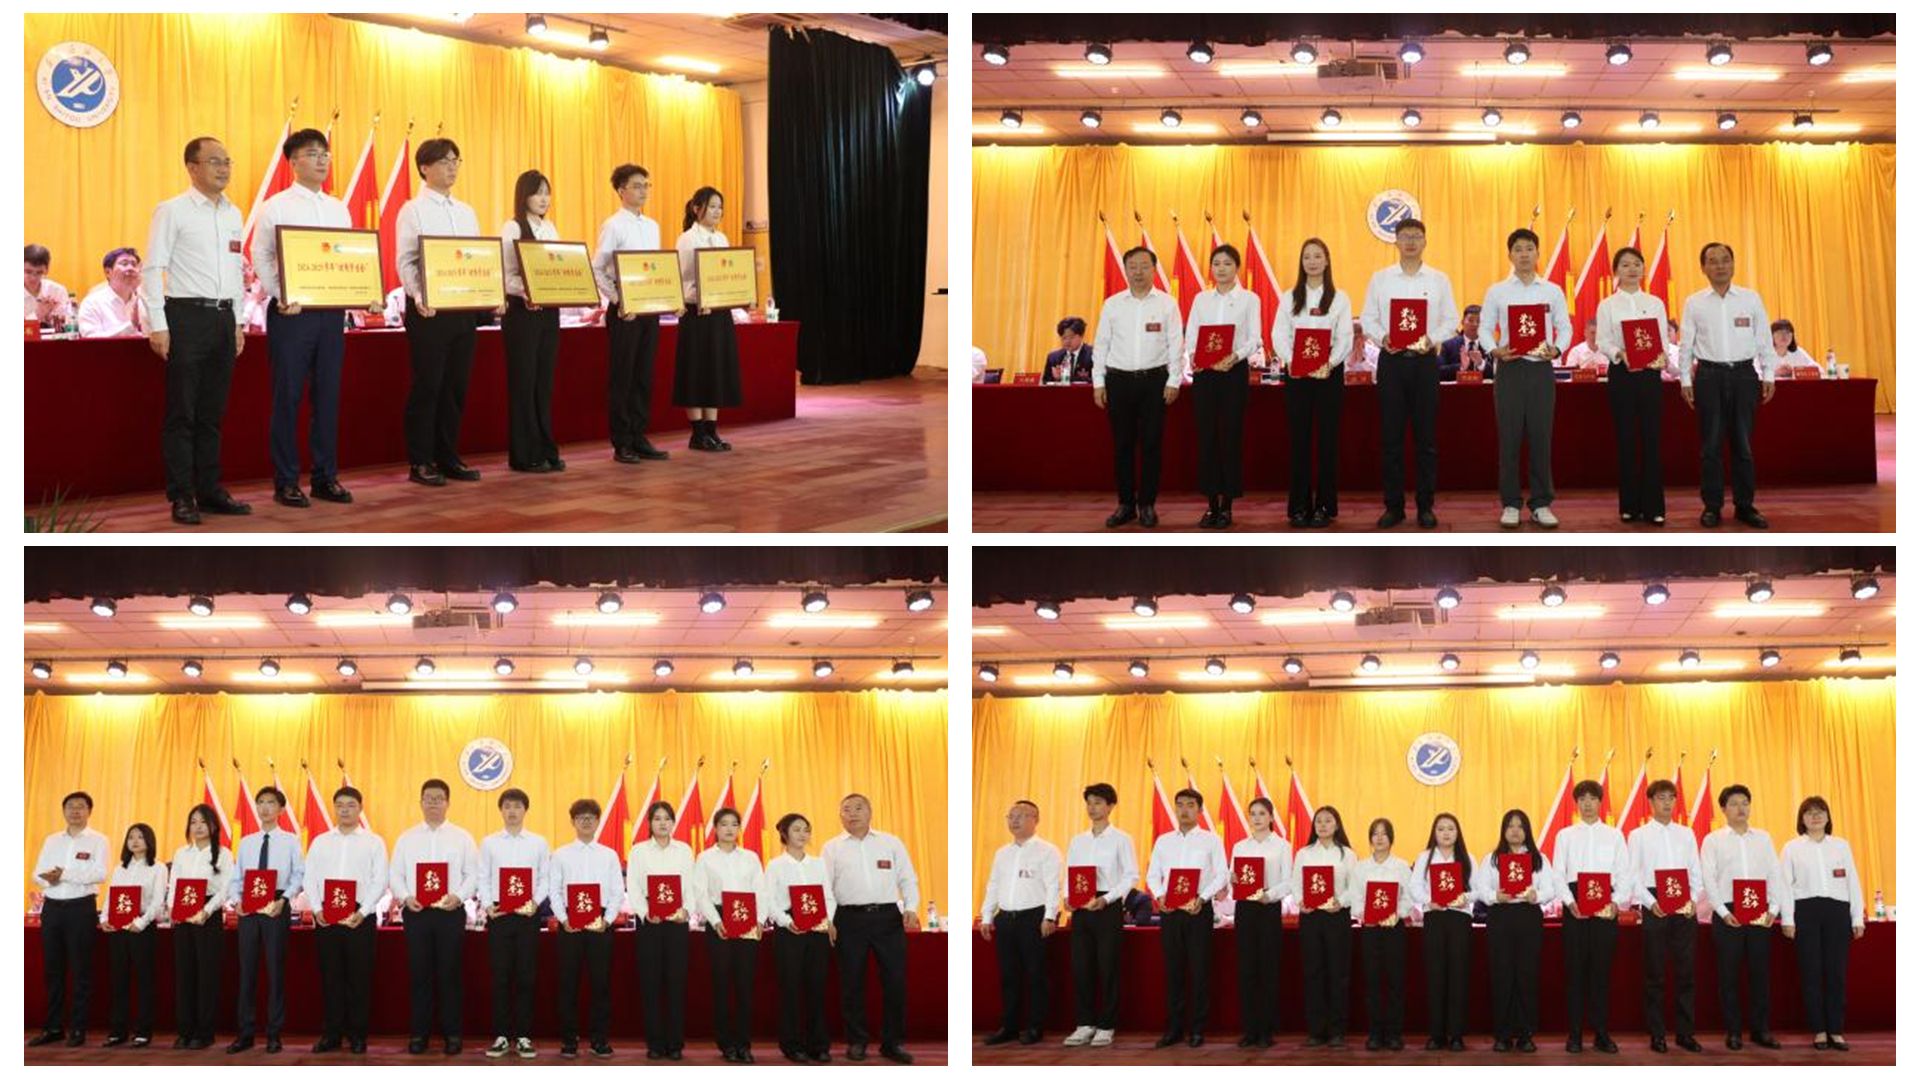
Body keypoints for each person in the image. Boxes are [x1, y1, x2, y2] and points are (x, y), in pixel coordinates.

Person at [254, 127, 363, 509]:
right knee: (287, 397)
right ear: (293, 161)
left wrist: (361, 293)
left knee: (327, 397)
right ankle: (286, 481)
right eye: (312, 153)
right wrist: (281, 294)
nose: (321, 160)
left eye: (325, 154)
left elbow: (348, 257)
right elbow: (261, 255)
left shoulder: (338, 208)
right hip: (292, 314)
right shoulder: (276, 206)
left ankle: (324, 477)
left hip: (330, 314)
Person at [144, 137, 250, 526]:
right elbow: (153, 268)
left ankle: (209, 489)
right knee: (182, 413)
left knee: (211, 413)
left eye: (227, 161)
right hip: (186, 316)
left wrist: (237, 321)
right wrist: (158, 324)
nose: (224, 168)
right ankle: (182, 495)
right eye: (214, 161)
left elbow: (236, 272)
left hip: (223, 319)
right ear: (192, 167)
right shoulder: (172, 210)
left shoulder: (234, 213)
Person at [396, 137, 498, 487]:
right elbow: (406, 261)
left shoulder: (466, 211)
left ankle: (448, 456)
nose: (452, 166)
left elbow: (476, 260)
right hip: (429, 311)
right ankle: (421, 461)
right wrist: (419, 295)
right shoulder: (413, 210)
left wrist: (488, 294)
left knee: (456, 386)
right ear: (424, 167)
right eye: (444, 161)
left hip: (462, 310)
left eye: (456, 160)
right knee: (428, 385)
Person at [1361, 218, 1458, 529]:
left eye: (1417, 236)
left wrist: (1432, 339)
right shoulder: (1381, 279)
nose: (1411, 242)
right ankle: (1394, 506)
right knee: (1391, 439)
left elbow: (1451, 319)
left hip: (1425, 362)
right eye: (1405, 236)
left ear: (1425, 241)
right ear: (1396, 241)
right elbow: (1368, 318)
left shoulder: (1439, 280)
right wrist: (1382, 337)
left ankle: (1425, 506)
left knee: (1426, 439)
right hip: (1392, 362)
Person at [1478, 227, 1573, 529]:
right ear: (1510, 255)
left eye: (1529, 249)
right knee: (1509, 439)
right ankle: (1510, 503)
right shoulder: (1497, 291)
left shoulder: (1552, 290)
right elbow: (1484, 328)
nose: (1524, 254)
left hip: (1540, 369)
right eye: (1518, 249)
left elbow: (1565, 327)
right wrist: (1494, 350)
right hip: (1510, 368)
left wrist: (1557, 349)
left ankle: (1541, 503)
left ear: (1537, 253)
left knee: (1540, 437)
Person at [1679, 241, 1774, 528]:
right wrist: (1685, 379)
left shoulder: (1750, 298)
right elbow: (1686, 344)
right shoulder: (1694, 302)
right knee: (1711, 445)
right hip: (1708, 377)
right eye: (1713, 261)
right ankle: (1712, 506)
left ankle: (1745, 506)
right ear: (1703, 268)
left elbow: (1764, 339)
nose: (1720, 265)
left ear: (1733, 264)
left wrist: (1768, 374)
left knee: (1743, 445)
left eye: (1725, 260)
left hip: (1744, 376)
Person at [822, 793, 919, 1063]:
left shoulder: (891, 842)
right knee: (852, 982)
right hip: (848, 919)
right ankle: (857, 1041)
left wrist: (911, 906)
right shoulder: (832, 848)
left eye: (858, 808)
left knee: (895, 981)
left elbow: (908, 878)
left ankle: (893, 1043)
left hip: (887, 918)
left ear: (870, 812)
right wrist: (829, 919)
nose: (853, 813)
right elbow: (825, 887)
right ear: (840, 815)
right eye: (846, 809)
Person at [1092, 246, 1182, 529]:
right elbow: (1101, 345)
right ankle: (1125, 504)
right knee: (1123, 445)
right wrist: (1098, 382)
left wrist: (1174, 380)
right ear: (1126, 270)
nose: (1138, 272)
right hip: (1118, 381)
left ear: (1154, 269)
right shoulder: (1112, 304)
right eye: (1133, 267)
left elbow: (1175, 345)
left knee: (1152, 445)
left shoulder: (1167, 304)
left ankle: (1147, 504)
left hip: (1155, 382)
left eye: (1144, 266)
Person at [390, 778, 479, 1055]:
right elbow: (395, 874)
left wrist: (459, 896)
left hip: (449, 913)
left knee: (450, 974)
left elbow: (473, 874)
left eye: (439, 798)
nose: (433, 803)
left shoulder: (462, 837)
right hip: (417, 914)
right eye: (428, 798)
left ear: (448, 803)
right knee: (420, 975)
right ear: (420, 802)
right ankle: (420, 1034)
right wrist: (406, 896)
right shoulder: (406, 838)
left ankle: (453, 1034)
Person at [591, 163, 670, 464]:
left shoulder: (652, 226)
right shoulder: (613, 225)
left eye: (646, 185)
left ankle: (639, 435)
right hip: (625, 313)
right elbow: (598, 269)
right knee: (622, 377)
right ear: (621, 190)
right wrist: (617, 300)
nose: (643, 191)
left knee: (643, 376)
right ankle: (622, 441)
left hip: (649, 310)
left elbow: (655, 269)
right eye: (637, 185)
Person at [1273, 237, 1354, 528]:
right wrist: (1291, 361)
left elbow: (1345, 337)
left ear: (1327, 260)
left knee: (1327, 441)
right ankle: (1299, 505)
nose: (1312, 261)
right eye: (1307, 256)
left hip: (1328, 375)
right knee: (1300, 441)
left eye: (1317, 256)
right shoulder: (1289, 297)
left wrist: (1329, 363)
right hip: (1297, 375)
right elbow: (1279, 334)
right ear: (1301, 262)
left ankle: (1324, 506)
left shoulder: (1339, 298)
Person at [299, 785, 387, 1055]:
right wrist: (317, 909)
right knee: (331, 977)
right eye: (340, 805)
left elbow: (380, 880)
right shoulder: (321, 841)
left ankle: (358, 1035)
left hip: (360, 916)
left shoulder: (374, 842)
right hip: (327, 916)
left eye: (351, 805)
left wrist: (364, 911)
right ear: (334, 808)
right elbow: (309, 877)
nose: (345, 810)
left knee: (359, 979)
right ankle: (332, 1035)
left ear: (360, 809)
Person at [1700, 784, 1786, 1051]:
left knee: (1760, 974)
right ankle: (1734, 1031)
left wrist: (1773, 909)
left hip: (1760, 911)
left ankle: (1761, 1030)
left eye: (1745, 803)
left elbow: (1775, 874)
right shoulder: (1713, 840)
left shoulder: (1763, 838)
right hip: (1728, 912)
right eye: (1734, 804)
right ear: (1723, 809)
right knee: (1729, 976)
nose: (1741, 808)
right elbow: (1708, 878)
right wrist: (1723, 912)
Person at [1551, 779, 1632, 1053]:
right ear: (1576, 804)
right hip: (1575, 906)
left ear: (1600, 802)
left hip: (1605, 908)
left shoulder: (1614, 836)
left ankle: (1601, 1033)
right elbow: (1558, 874)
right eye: (1582, 799)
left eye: (1592, 798)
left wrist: (1616, 903)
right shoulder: (1564, 835)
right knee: (1575, 974)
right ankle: (1574, 1035)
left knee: (1601, 973)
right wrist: (1569, 902)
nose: (1587, 804)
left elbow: (1624, 875)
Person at [1183, 243, 1260, 529]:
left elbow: (1255, 337)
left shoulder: (1249, 299)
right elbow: (1191, 334)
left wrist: (1235, 356)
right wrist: (1194, 354)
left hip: (1233, 372)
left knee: (1230, 437)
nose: (1221, 269)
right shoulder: (1201, 299)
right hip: (1205, 374)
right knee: (1207, 437)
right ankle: (1211, 504)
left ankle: (1227, 504)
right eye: (1216, 264)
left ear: (1236, 267)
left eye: (1227, 263)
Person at [1780, 795, 1865, 1052]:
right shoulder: (1791, 848)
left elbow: (1853, 882)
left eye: (1820, 811)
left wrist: (1857, 917)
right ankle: (1818, 1030)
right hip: (1806, 911)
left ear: (1828, 817)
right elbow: (1784, 885)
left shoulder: (1841, 846)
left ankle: (1836, 1031)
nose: (1815, 816)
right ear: (1802, 819)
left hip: (1837, 911)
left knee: (1836, 973)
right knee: (1811, 972)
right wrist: (1788, 919)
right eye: (1809, 812)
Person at [1143, 788, 1225, 1047]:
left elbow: (1221, 875)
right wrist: (1159, 896)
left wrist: (1202, 898)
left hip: (1198, 910)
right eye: (1180, 805)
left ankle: (1197, 1029)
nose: (1184, 810)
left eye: (1190, 805)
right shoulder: (1163, 841)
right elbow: (1152, 875)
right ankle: (1174, 1029)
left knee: (1200, 971)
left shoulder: (1211, 840)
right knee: (1174, 970)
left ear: (1200, 810)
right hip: (1170, 913)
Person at [1628, 779, 1705, 1053]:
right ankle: (1657, 1034)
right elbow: (1632, 875)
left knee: (1686, 973)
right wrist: (1650, 903)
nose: (1667, 802)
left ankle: (1685, 1033)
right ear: (1650, 802)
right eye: (1661, 798)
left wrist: (1692, 899)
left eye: (1671, 797)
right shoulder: (1638, 835)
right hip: (1654, 904)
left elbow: (1696, 871)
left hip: (1684, 904)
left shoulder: (1687, 834)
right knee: (1655, 973)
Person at [1595, 246, 1670, 524]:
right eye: (1625, 265)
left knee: (1652, 438)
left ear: (1643, 269)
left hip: (1649, 375)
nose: (1632, 269)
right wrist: (1620, 353)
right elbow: (1602, 340)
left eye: (1637, 264)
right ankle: (1629, 505)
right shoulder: (1607, 305)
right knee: (1626, 438)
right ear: (1616, 271)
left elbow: (1662, 338)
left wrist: (1660, 356)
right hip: (1622, 374)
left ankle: (1654, 507)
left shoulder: (1655, 302)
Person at [1477, 809, 1561, 1053]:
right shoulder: (1492, 859)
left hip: (1528, 917)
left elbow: (1551, 889)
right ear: (1503, 830)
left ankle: (1526, 1034)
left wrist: (1537, 895)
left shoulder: (1539, 859)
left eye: (1520, 826)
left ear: (1527, 831)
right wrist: (1495, 896)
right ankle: (1502, 1034)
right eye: (1510, 826)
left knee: (1527, 974)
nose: (1515, 831)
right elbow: (1482, 888)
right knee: (1501, 974)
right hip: (1500, 917)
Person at [497, 169, 565, 473]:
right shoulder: (512, 227)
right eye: (537, 192)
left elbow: (559, 268)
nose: (543, 199)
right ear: (524, 195)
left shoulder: (550, 228)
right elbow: (504, 275)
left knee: (544, 383)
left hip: (549, 312)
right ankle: (524, 454)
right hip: (522, 314)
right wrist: (526, 292)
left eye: (547, 193)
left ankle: (546, 448)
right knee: (524, 382)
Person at [980, 799, 1062, 1046]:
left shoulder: (1048, 851)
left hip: (1033, 918)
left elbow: (1053, 886)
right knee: (1009, 975)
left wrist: (1049, 916)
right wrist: (987, 916)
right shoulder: (1002, 853)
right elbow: (993, 885)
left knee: (1036, 974)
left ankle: (1035, 1026)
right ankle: (1010, 1027)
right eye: (1011, 816)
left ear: (1035, 820)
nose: (1014, 820)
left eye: (1021, 815)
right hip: (1005, 919)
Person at [1061, 781, 1137, 1048]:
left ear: (1111, 806)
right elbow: (1070, 872)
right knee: (1081, 966)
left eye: (1098, 803)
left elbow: (1131, 876)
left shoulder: (1121, 839)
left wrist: (1107, 899)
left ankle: (1106, 1025)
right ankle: (1084, 1023)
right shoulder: (1078, 840)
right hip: (1082, 908)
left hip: (1107, 906)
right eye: (1089, 803)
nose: (1092, 808)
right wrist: (1067, 897)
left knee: (1107, 966)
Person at [227, 786, 303, 1053]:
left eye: (271, 802)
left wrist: (284, 901)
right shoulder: (247, 842)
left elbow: (299, 874)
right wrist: (237, 901)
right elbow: (236, 877)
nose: (265, 807)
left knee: (275, 971)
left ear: (281, 809)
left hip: (276, 906)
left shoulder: (291, 840)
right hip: (249, 908)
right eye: (260, 802)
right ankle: (245, 1033)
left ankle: (274, 1033)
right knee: (247, 971)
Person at [31, 791, 109, 1047]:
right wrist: (49, 880)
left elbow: (99, 874)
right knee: (53, 970)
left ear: (89, 811)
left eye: (81, 806)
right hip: (52, 908)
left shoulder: (99, 840)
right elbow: (36, 874)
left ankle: (78, 1028)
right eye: (70, 806)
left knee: (80, 969)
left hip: (80, 908)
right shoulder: (52, 840)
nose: (75, 811)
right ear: (63, 811)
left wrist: (64, 874)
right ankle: (53, 1027)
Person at [548, 798, 623, 1058]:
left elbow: (617, 890)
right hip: (570, 924)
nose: (586, 821)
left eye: (591, 817)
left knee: (600, 984)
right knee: (568, 983)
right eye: (581, 817)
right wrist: (563, 918)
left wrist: (608, 919)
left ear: (598, 821)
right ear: (573, 822)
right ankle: (569, 1040)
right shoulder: (560, 854)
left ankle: (599, 1040)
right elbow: (554, 890)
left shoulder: (609, 855)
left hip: (600, 924)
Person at [480, 787, 549, 1059]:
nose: (512, 811)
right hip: (499, 916)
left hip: (527, 917)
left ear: (525, 810)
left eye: (517, 806)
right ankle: (500, 1036)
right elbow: (483, 876)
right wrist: (488, 905)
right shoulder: (489, 843)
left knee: (526, 976)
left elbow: (545, 878)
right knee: (500, 976)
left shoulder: (538, 843)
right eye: (507, 806)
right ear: (501, 810)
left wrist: (535, 902)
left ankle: (522, 1036)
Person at [673, 186, 743, 451]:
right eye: (712, 206)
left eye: (720, 207)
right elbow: (681, 278)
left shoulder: (722, 238)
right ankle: (697, 433)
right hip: (696, 313)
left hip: (719, 312)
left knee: (716, 369)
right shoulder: (687, 239)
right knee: (696, 370)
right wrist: (697, 297)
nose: (717, 211)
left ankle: (712, 431)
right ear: (696, 208)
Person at [697, 807, 766, 1062]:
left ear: (739, 829)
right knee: (722, 984)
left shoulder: (751, 857)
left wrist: (759, 920)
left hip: (747, 920)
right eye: (724, 824)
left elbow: (761, 891)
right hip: (719, 921)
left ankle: (744, 1044)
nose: (729, 829)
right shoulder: (705, 858)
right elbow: (700, 893)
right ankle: (726, 1043)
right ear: (716, 828)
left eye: (734, 824)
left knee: (745, 985)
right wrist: (715, 921)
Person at [766, 812, 836, 1063]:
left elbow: (828, 896)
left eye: (806, 829)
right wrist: (787, 922)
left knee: (816, 987)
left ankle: (818, 1044)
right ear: (784, 834)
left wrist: (828, 919)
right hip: (790, 929)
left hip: (817, 929)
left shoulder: (818, 864)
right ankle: (792, 1044)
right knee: (791, 988)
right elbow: (769, 901)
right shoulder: (775, 865)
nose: (802, 834)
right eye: (796, 829)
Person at [626, 799, 693, 1060]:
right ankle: (654, 1043)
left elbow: (692, 884)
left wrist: (686, 910)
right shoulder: (638, 851)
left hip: (677, 923)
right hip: (650, 924)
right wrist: (645, 913)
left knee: (676, 983)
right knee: (651, 984)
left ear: (673, 822)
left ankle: (675, 1044)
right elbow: (633, 886)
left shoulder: (684, 850)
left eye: (667, 818)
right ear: (650, 823)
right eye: (657, 818)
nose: (662, 823)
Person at [102, 824, 171, 1050]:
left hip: (142, 928)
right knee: (118, 980)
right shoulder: (120, 868)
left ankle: (143, 1032)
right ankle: (118, 1031)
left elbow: (158, 901)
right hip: (118, 928)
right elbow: (110, 897)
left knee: (144, 981)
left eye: (140, 837)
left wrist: (141, 922)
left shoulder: (158, 868)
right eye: (131, 837)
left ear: (149, 841)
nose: (135, 841)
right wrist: (104, 918)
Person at [1294, 805, 1358, 1048]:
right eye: (1318, 821)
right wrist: (1301, 901)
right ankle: (1316, 1030)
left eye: (1328, 820)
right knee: (1313, 973)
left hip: (1337, 917)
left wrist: (1341, 902)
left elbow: (1355, 887)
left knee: (1338, 973)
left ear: (1337, 825)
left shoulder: (1347, 855)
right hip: (1311, 918)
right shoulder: (1304, 853)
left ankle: (1337, 1030)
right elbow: (1296, 883)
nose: (1322, 825)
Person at [169, 805, 232, 1050]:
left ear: (213, 826)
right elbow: (174, 884)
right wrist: (173, 909)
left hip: (208, 915)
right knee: (185, 974)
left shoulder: (224, 854)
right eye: (193, 822)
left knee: (207, 975)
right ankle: (185, 1030)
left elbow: (225, 888)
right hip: (183, 914)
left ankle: (204, 1032)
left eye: (203, 822)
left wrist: (206, 910)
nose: (197, 827)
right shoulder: (181, 853)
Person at [1409, 812, 1473, 1051]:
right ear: (1434, 833)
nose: (1446, 833)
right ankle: (1436, 1034)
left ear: (1458, 833)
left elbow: (1477, 889)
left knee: (1458, 975)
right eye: (1441, 829)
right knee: (1435, 975)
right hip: (1434, 917)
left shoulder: (1467, 858)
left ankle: (1456, 1034)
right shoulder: (1425, 857)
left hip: (1459, 918)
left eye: (1450, 828)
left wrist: (1464, 898)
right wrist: (1429, 900)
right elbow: (1414, 886)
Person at [1231, 797, 1291, 1048]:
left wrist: (1270, 895)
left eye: (1262, 813)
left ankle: (1267, 1030)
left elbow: (1289, 881)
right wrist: (1233, 880)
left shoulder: (1282, 846)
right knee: (1247, 970)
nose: (1256, 818)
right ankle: (1250, 1030)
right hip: (1245, 908)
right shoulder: (1239, 846)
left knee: (1268, 969)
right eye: (1252, 813)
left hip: (1268, 907)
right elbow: (1232, 879)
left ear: (1271, 817)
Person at [1352, 817, 1412, 1052]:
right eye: (1375, 833)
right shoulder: (1360, 868)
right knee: (1373, 982)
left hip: (1394, 929)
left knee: (1396, 982)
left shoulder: (1401, 866)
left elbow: (1408, 898)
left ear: (1391, 838)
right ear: (1370, 838)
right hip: (1370, 930)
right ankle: (1375, 1033)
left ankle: (1394, 1034)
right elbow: (1356, 898)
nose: (1379, 838)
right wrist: (1364, 914)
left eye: (1384, 833)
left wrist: (1397, 915)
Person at [77, 247, 148, 338]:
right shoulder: (92, 303)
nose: (131, 268)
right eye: (124, 264)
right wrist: (131, 326)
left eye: (134, 264)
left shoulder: (145, 301)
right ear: (108, 272)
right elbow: (91, 338)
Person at [25, 243, 74, 330]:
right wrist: (37, 315)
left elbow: (68, 325)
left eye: (39, 272)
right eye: (28, 272)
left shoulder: (57, 290)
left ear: (47, 270)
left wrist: (52, 318)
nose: (33, 278)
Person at [1438, 304, 1485, 381]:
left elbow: (1495, 373)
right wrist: (1461, 367)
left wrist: (1481, 363)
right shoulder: (1448, 345)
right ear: (1462, 322)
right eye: (1470, 320)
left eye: (1479, 321)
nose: (1475, 324)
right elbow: (1439, 372)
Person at [1044, 317, 1095, 384]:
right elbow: (1045, 383)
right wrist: (1056, 379)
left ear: (1081, 336)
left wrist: (1066, 378)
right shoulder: (1053, 358)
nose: (1067, 341)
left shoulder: (1094, 355)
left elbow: (1099, 382)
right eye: (1064, 338)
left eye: (1071, 337)